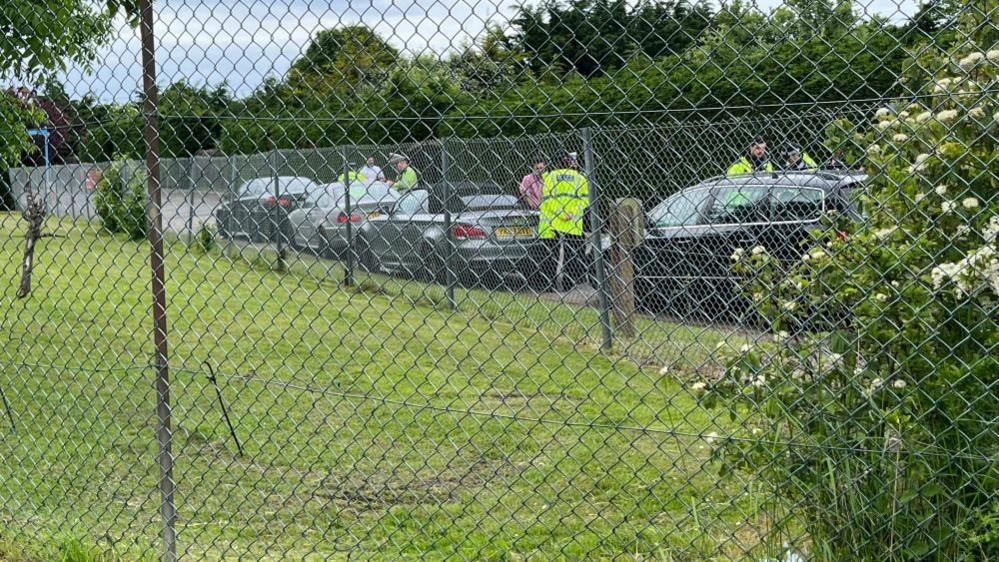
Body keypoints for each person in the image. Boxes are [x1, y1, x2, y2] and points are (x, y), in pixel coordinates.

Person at [536, 152, 590, 291]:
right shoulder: (580, 178)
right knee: (571, 254)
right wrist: (571, 212)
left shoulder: (549, 177)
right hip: (572, 222)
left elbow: (546, 198)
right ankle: (568, 284)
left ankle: (547, 284)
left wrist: (560, 213)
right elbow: (585, 199)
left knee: (549, 254)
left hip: (550, 222)